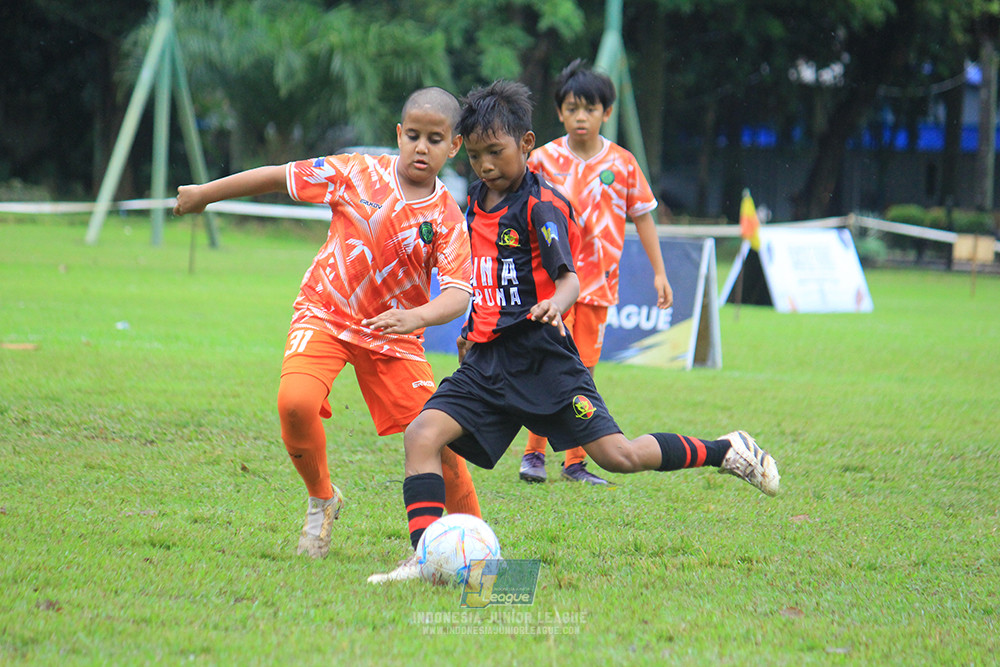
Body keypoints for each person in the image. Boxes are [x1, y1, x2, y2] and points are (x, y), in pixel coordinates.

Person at [368, 80, 779, 584]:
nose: (485, 165)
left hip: (545, 361)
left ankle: (726, 449)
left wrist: (555, 305)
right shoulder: (473, 201)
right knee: (422, 435)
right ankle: (425, 556)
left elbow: (570, 278)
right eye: (474, 156)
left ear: (526, 144)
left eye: (495, 152)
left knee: (619, 456)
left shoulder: (542, 207)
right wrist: (470, 331)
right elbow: (482, 276)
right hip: (487, 362)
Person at [172, 87, 482, 560]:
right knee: (295, 404)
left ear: (454, 146)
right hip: (326, 312)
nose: (422, 147)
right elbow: (279, 176)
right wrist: (205, 194)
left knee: (440, 441)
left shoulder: (446, 215)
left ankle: (473, 546)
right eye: (414, 136)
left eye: (435, 139)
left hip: (392, 337)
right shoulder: (355, 171)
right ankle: (322, 499)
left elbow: (459, 295)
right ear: (399, 135)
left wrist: (413, 318)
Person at [519, 59, 673, 486]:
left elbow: (643, 218)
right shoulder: (542, 161)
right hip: (550, 288)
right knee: (545, 365)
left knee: (581, 374)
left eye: (589, 108)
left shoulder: (623, 164)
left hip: (599, 288)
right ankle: (532, 455)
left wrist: (660, 274)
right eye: (572, 108)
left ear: (607, 112)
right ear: (560, 112)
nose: (580, 116)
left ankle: (574, 461)